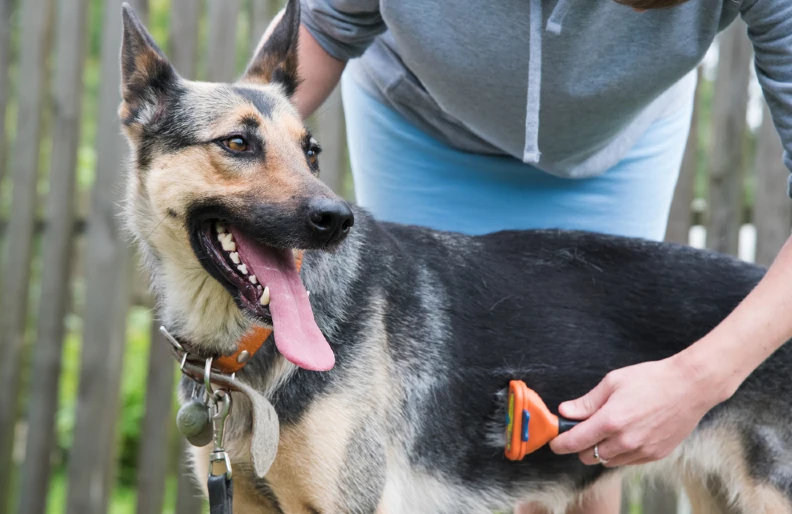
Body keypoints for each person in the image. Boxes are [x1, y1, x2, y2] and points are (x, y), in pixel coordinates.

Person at [277, 0, 792, 512]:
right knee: (426, 437)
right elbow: (325, 23)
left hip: (613, 132)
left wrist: (695, 381)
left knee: (592, 421)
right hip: (423, 121)